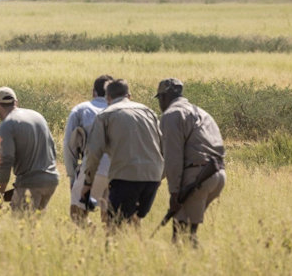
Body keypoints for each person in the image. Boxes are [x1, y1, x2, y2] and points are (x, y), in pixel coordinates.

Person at [81, 79, 164, 225]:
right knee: (134, 222)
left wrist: (88, 182)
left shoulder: (105, 115)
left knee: (114, 225)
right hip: (152, 177)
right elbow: (163, 146)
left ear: (108, 98)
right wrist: (159, 177)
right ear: (129, 96)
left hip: (125, 177)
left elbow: (94, 152)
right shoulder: (149, 112)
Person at [156, 78, 226, 246]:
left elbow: (173, 157)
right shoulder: (201, 112)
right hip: (217, 175)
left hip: (195, 177)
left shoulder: (171, 115)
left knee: (181, 235)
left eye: (159, 98)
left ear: (164, 97)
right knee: (188, 230)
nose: (160, 102)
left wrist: (175, 193)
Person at [0, 87, 60, 212]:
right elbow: (52, 148)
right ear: (16, 102)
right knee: (35, 227)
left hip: (30, 182)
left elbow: (6, 161)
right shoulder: (37, 115)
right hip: (51, 179)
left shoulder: (7, 125)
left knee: (20, 226)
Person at [64, 75, 113, 222]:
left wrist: (72, 175)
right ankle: (110, 243)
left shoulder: (81, 110)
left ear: (94, 92)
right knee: (110, 217)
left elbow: (69, 145)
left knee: (77, 213)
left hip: (93, 168)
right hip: (119, 170)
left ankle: (88, 236)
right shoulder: (120, 110)